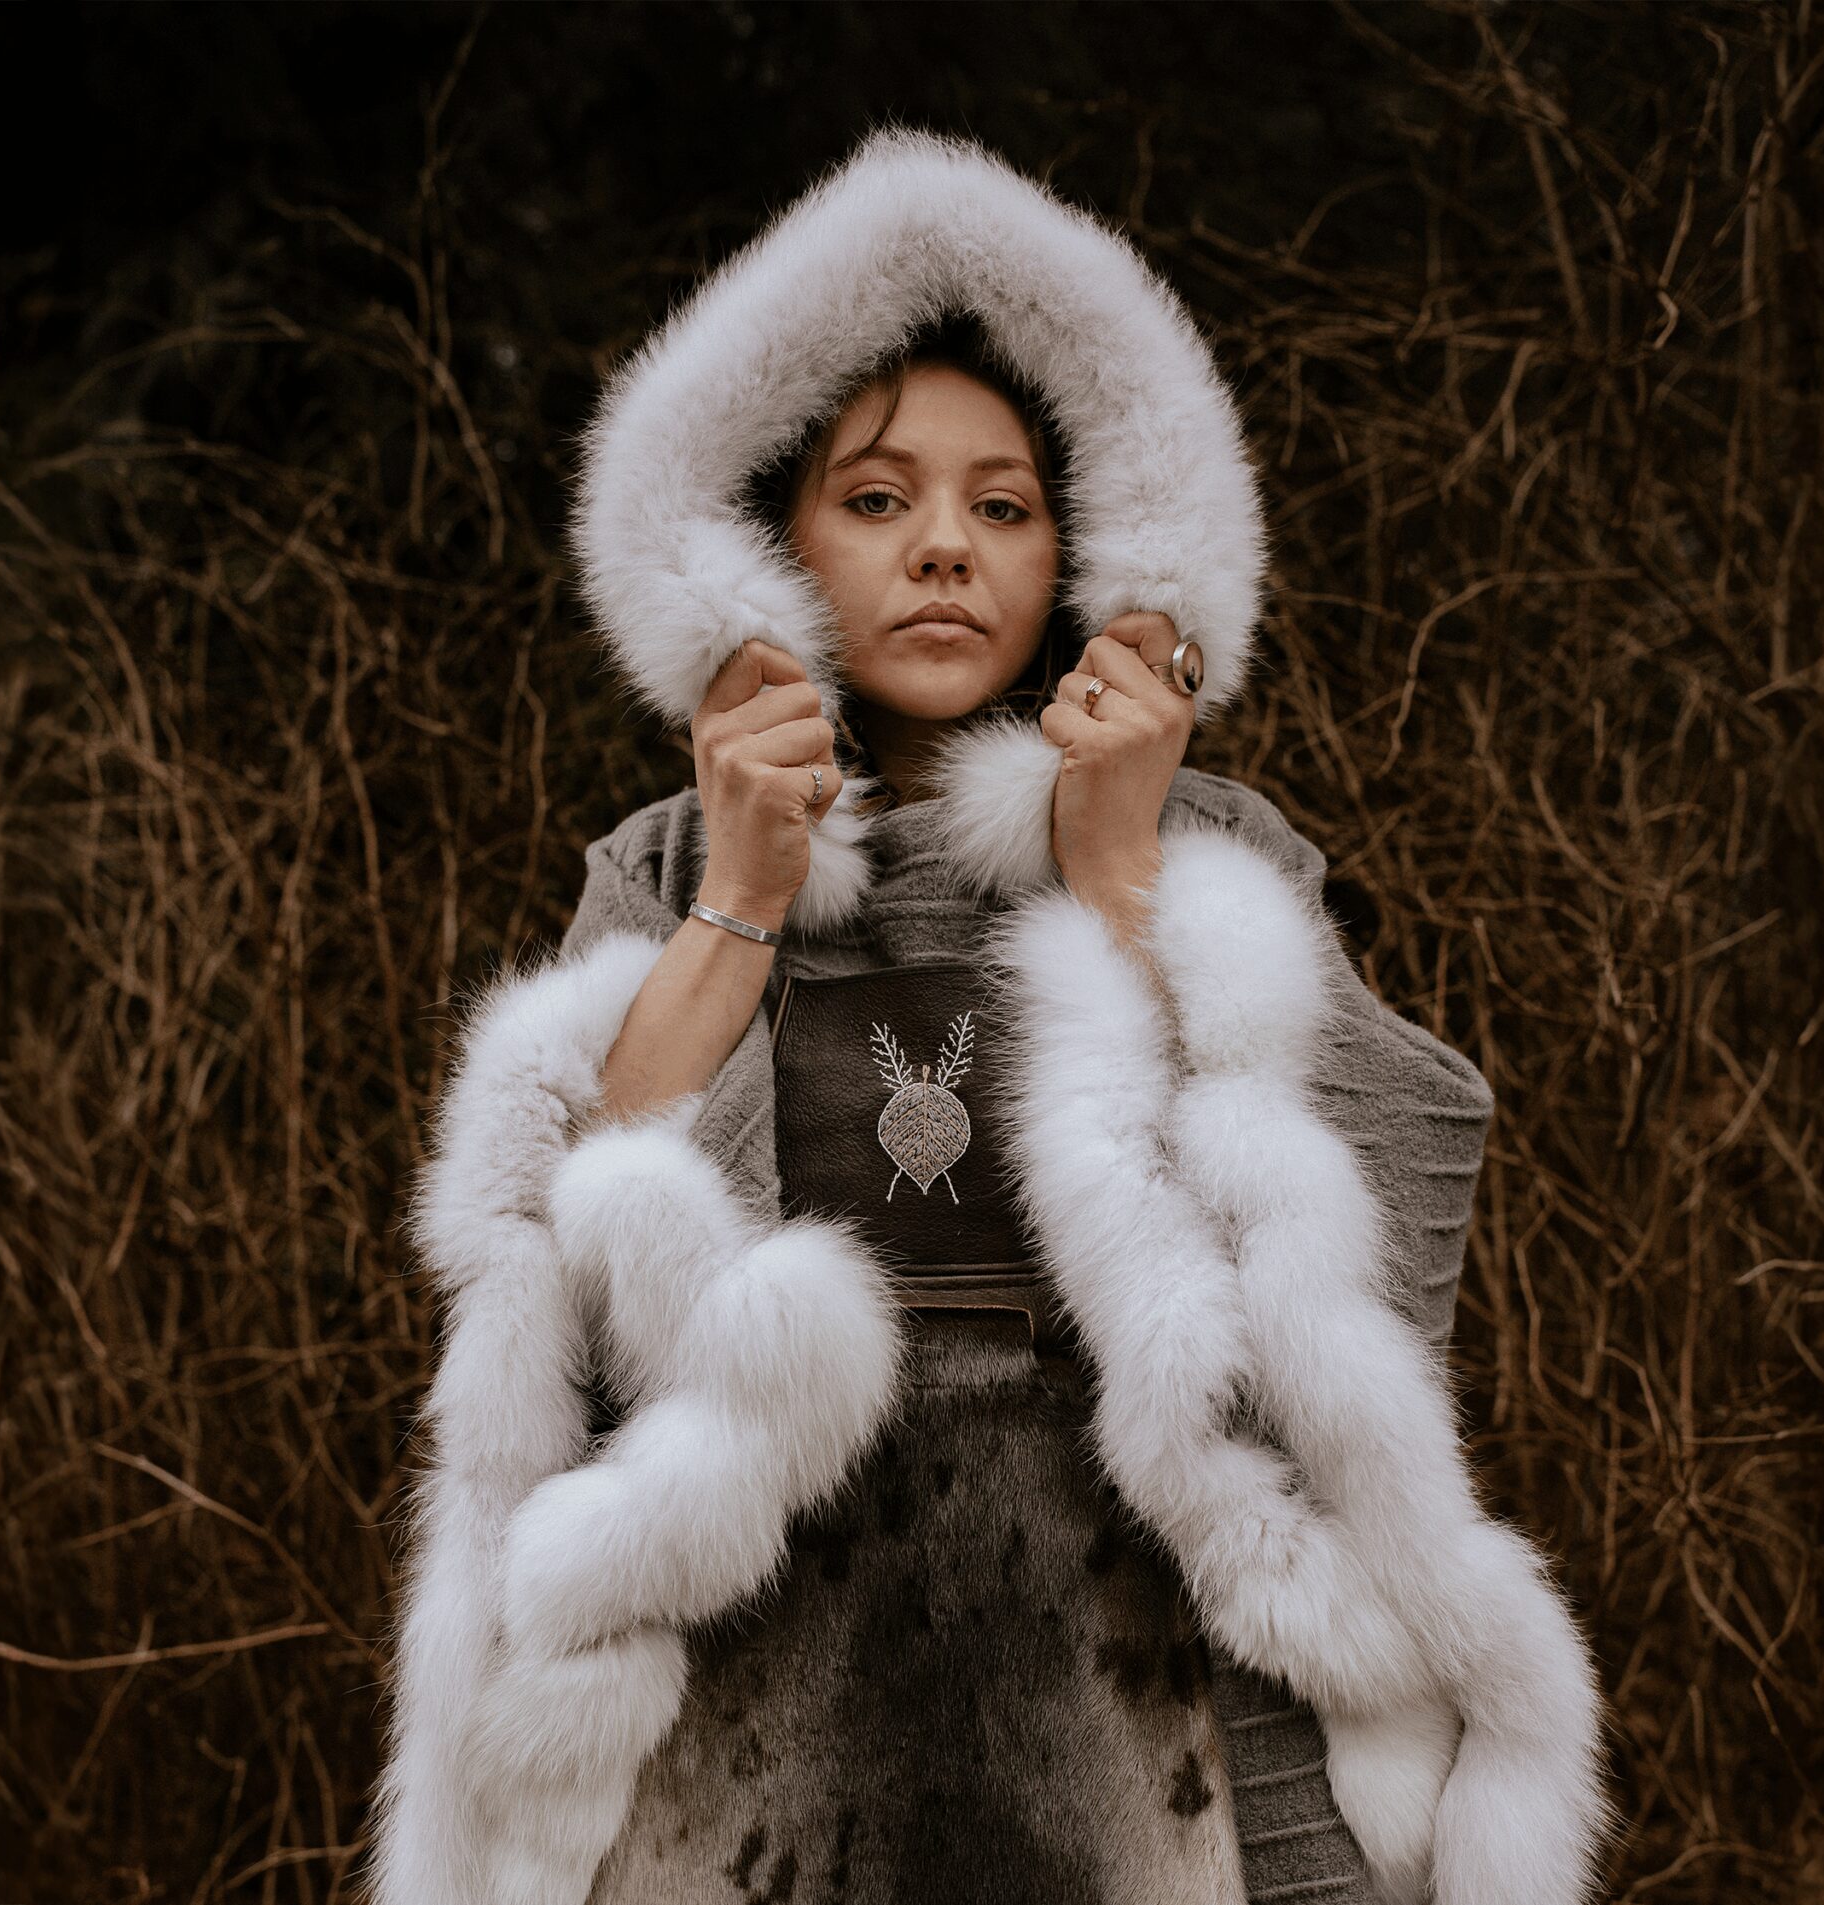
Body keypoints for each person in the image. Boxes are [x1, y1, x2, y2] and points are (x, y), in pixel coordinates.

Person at [372, 130, 1610, 1905]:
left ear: (1083, 550)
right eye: (876, 501)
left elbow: (1379, 1260)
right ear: (763, 552)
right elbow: (556, 1294)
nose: (943, 548)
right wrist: (741, 885)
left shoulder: (1219, 851)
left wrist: (1118, 871)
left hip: (1140, 1669)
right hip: (751, 1693)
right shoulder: (665, 861)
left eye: (1003, 505)